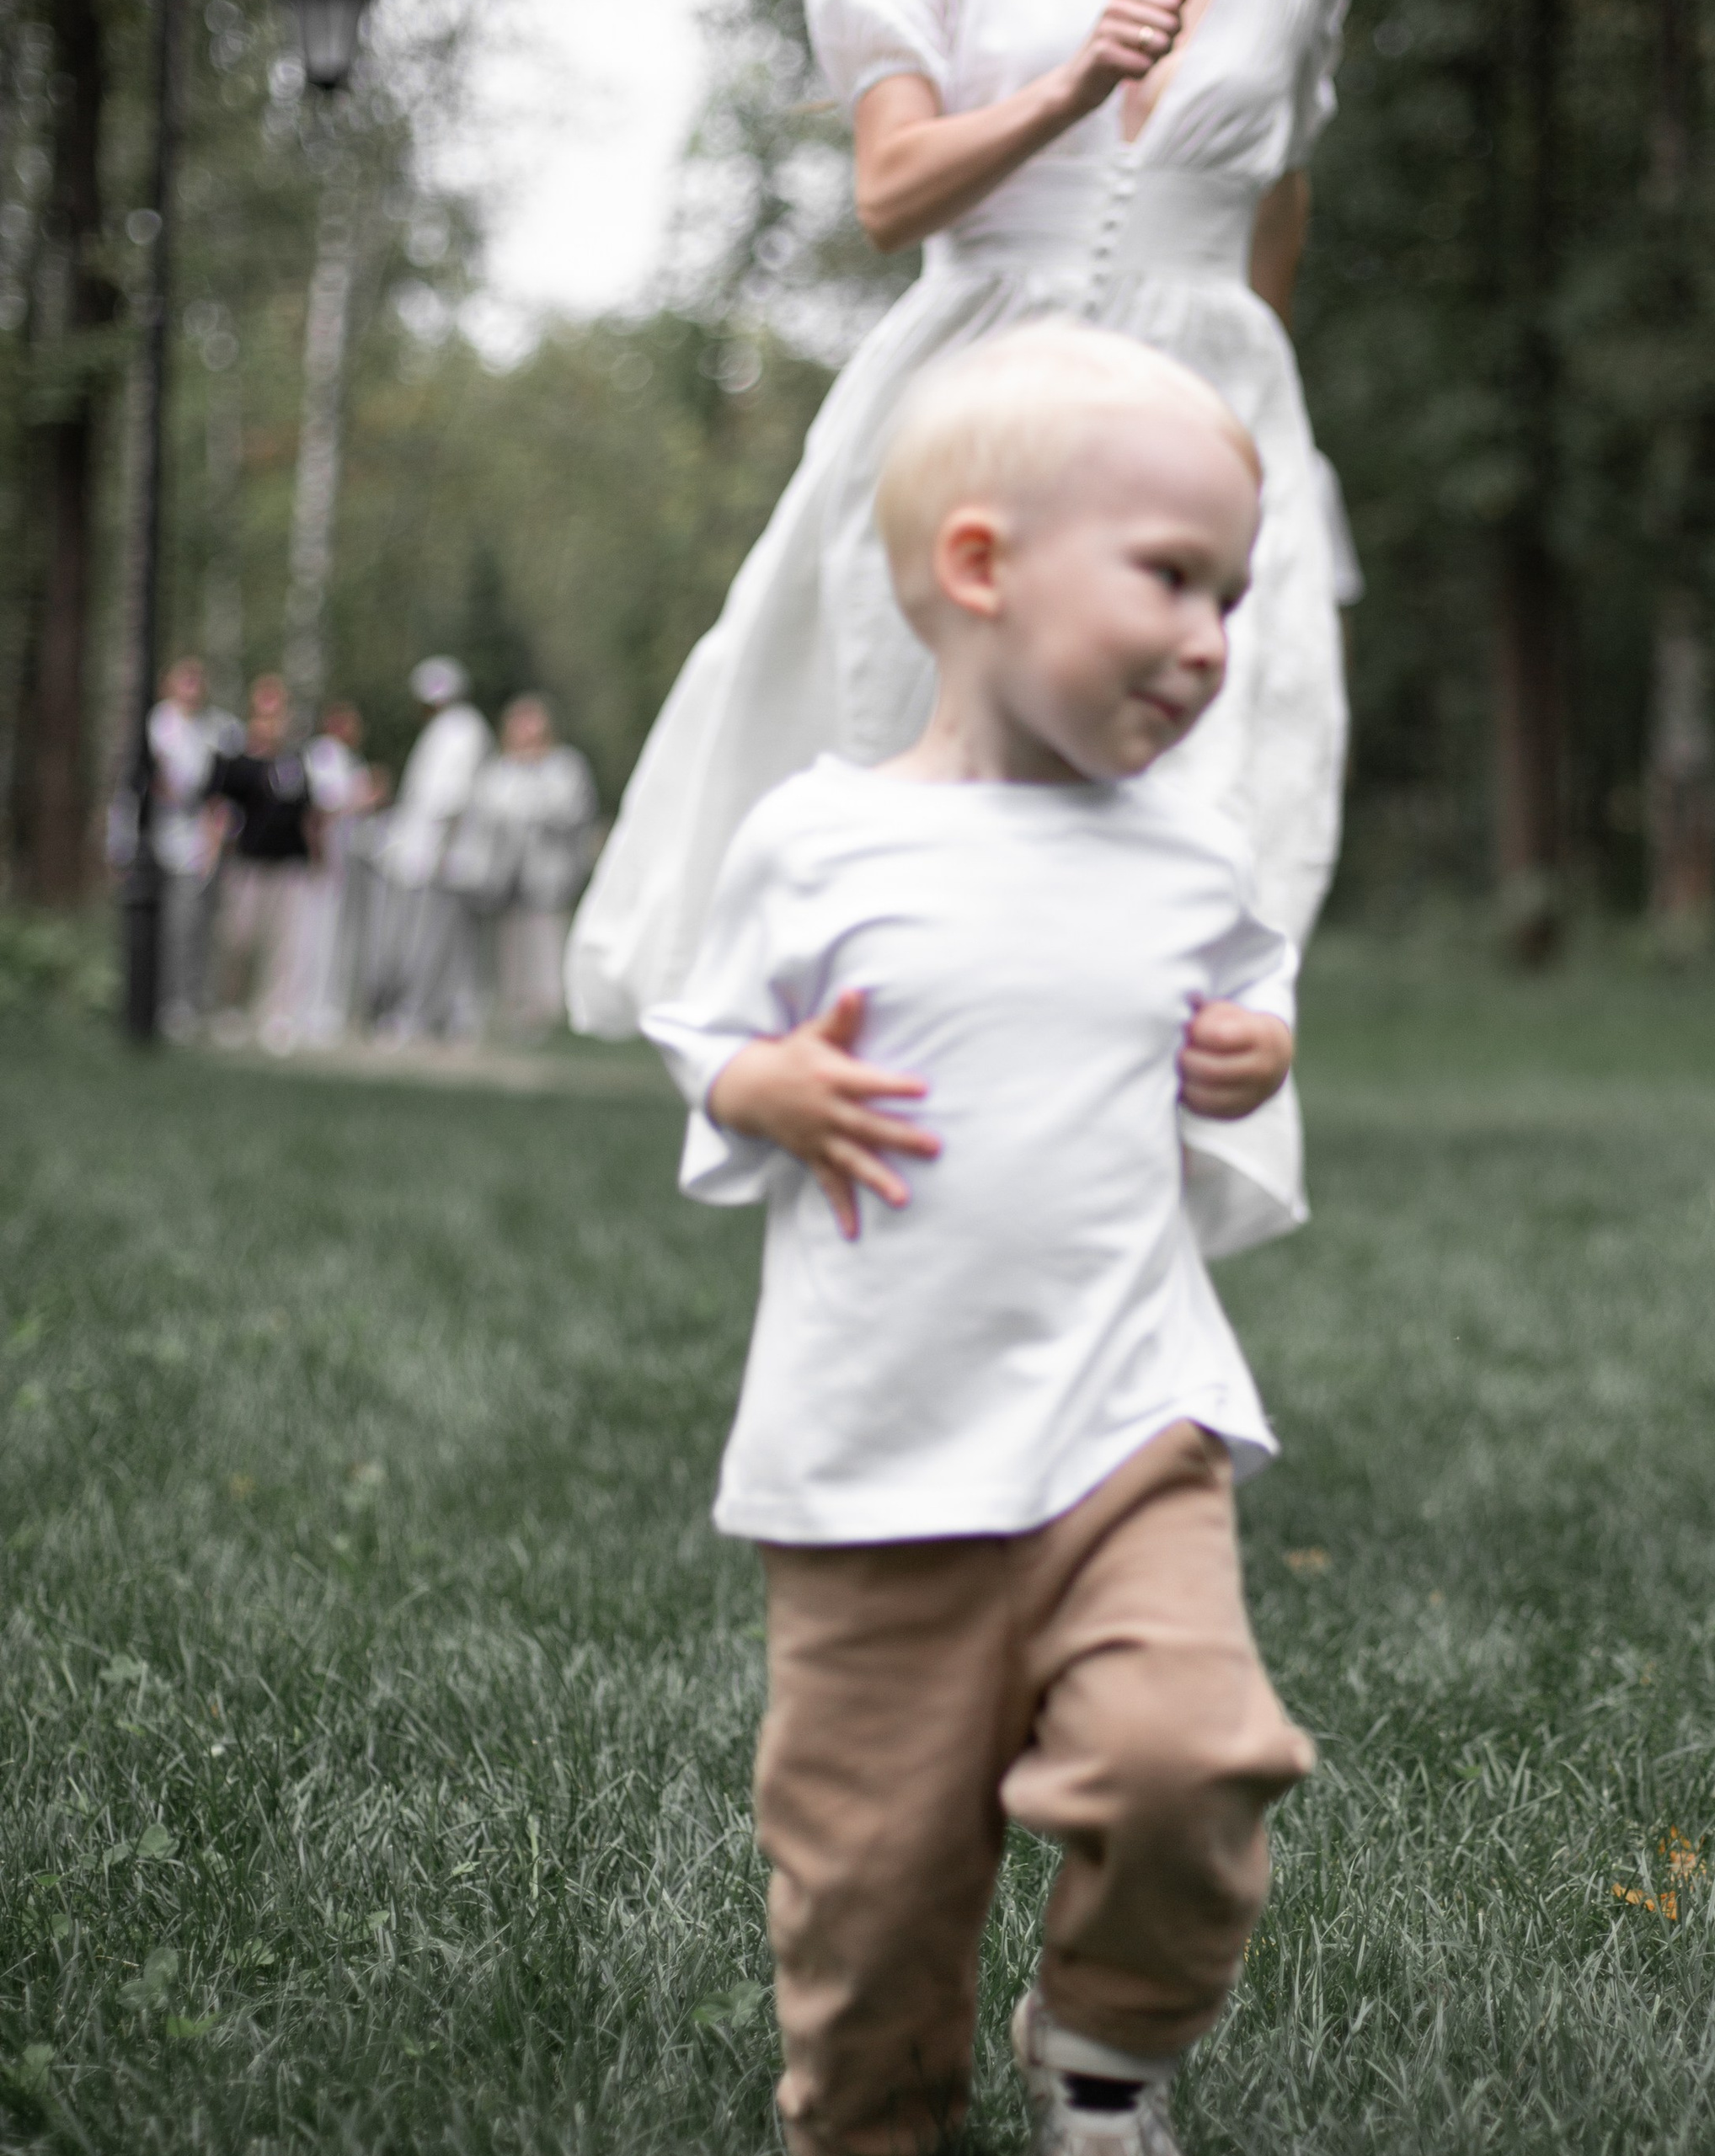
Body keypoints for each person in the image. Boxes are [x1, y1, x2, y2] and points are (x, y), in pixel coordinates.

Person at [643, 326, 1314, 2156]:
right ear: (977, 567)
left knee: (1195, 1753)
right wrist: (756, 1083)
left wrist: (1250, 1055)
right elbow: (702, 1027)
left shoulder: (1189, 853)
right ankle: (868, 2121)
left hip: (1126, 1422)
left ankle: (1102, 2052)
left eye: (1233, 595)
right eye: (1171, 577)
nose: (1209, 638)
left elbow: (1238, 1019)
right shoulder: (821, 838)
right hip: (873, 1465)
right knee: (867, 1894)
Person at [572, 0, 1350, 1258]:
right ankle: (893, 1200)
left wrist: (1255, 456)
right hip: (979, 408)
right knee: (922, 816)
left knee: (1216, 814)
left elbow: (1282, 196)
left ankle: (1118, 1242)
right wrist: (1073, 87)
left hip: (1215, 418)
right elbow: (891, 195)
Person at [441, 695, 597, 1038]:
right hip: (502, 877)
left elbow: (570, 811)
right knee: (507, 945)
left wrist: (529, 808)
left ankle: (545, 1012)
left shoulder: (565, 766)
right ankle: (511, 1006)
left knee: (544, 940)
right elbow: (484, 813)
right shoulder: (497, 771)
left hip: (546, 876)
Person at [371, 657, 491, 1041]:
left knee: (428, 942)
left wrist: (439, 852)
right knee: (430, 940)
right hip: (426, 855)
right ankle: (436, 1014)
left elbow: (450, 800)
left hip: (438, 859)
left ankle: (419, 1015)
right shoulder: (449, 730)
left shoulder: (461, 730)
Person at [206, 674, 313, 1051]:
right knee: (237, 938)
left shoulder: (294, 763)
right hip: (248, 863)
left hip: (289, 865)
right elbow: (217, 811)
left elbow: (308, 814)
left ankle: (276, 1014)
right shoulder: (236, 763)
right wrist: (211, 852)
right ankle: (229, 1008)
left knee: (284, 945)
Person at [144, 655, 242, 1039]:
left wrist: (219, 836)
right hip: (158, 841)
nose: (192, 686)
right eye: (184, 679)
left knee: (196, 927)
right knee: (164, 927)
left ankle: (191, 1002)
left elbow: (227, 793)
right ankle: (161, 999)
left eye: (197, 680)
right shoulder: (154, 726)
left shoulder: (219, 729)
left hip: (200, 846)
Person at [295, 701, 385, 1044]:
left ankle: (336, 1007)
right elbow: (321, 811)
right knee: (320, 935)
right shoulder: (323, 755)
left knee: (343, 937)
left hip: (350, 861)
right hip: (327, 860)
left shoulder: (351, 760)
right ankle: (313, 1008)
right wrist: (363, 800)